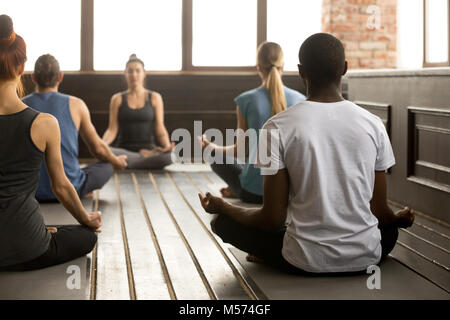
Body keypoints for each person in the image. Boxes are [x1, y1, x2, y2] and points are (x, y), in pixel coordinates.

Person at [199, 33, 415, 274]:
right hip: (367, 256)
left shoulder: (276, 126)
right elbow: (381, 213)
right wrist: (397, 219)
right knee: (390, 229)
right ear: (345, 68)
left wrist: (225, 207)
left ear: (301, 72)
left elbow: (271, 220)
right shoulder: (373, 124)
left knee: (222, 224)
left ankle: (270, 255)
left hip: (302, 261)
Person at [0, 15, 100, 271]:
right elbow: (62, 187)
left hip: (22, 237)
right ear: (23, 68)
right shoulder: (44, 123)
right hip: (28, 248)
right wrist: (86, 218)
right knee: (85, 235)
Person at [199, 42, 305, 204]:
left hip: (253, 193)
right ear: (282, 66)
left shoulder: (246, 100)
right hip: (289, 195)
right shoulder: (300, 100)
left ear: (258, 67)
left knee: (215, 156)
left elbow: (240, 150)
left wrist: (210, 147)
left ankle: (237, 188)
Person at [23, 54, 127, 202]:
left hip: (32, 192)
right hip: (69, 188)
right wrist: (116, 161)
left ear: (33, 78)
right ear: (60, 77)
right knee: (107, 165)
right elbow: (97, 148)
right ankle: (81, 190)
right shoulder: (76, 104)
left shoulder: (19, 106)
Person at [102, 54, 174, 169]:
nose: (134, 75)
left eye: (137, 71)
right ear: (125, 74)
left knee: (171, 156)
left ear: (144, 74)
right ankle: (140, 158)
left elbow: (160, 127)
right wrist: (102, 145)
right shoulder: (117, 99)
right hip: (123, 150)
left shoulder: (155, 97)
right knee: (107, 151)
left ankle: (128, 162)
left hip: (150, 150)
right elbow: (112, 129)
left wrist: (167, 147)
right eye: (130, 71)